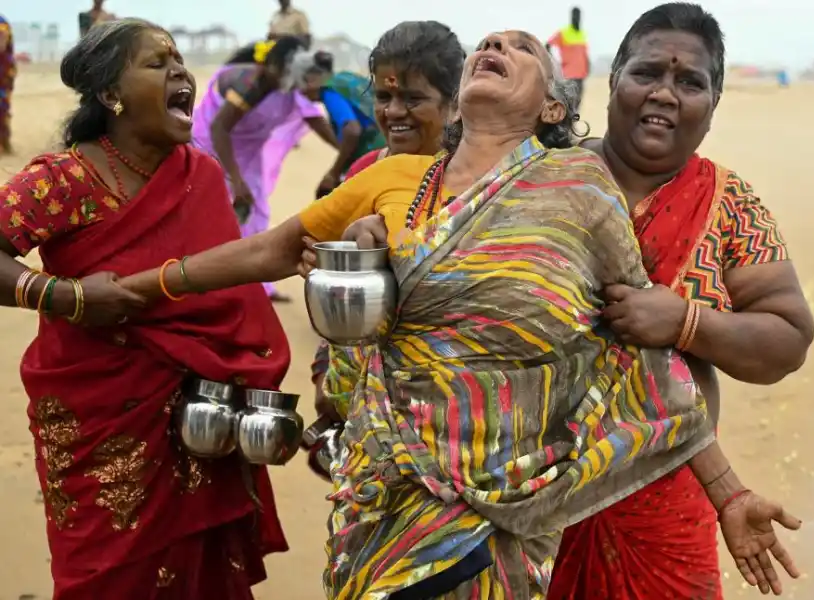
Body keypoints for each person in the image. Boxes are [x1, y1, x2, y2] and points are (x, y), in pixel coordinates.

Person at [117, 29, 801, 598]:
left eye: (520, 47)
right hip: (381, 495)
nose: (496, 42)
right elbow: (276, 254)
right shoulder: (392, 184)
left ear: (553, 109)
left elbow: (637, 361)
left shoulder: (577, 192)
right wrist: (130, 290)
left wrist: (729, 492)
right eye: (486, 42)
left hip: (502, 514)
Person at [0, 19, 289, 598]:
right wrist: (67, 297)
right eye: (158, 63)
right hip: (95, 422)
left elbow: (230, 301)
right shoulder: (63, 179)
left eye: (180, 61)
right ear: (111, 95)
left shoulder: (200, 175)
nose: (180, 72)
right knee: (102, 576)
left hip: (196, 423)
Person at [547, 4, 814, 599]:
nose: (665, 94)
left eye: (689, 82)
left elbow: (787, 340)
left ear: (714, 105)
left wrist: (686, 322)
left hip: (671, 502)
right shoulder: (541, 180)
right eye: (647, 73)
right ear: (612, 78)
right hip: (526, 498)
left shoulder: (729, 203)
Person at [308, 20, 466, 423]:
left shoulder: (479, 182)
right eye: (383, 95)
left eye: (413, 98)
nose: (393, 112)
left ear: (455, 101)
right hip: (366, 393)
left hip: (453, 397)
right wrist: (327, 370)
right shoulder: (365, 171)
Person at [192, 37, 337, 302]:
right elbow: (218, 128)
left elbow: (318, 123)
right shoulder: (249, 84)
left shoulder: (291, 87)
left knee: (258, 212)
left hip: (249, 150)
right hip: (213, 147)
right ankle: (204, 279)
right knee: (212, 209)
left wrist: (348, 149)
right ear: (269, 65)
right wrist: (235, 180)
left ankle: (257, 286)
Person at [298, 50, 386, 196]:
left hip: (372, 158)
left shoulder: (329, 91)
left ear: (311, 79)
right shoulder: (346, 78)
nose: (300, 91)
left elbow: (352, 130)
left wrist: (334, 172)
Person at [547, 7, 590, 111]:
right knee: (568, 102)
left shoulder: (582, 34)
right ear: (571, 17)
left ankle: (572, 124)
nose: (576, 18)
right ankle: (566, 124)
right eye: (574, 16)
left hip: (581, 73)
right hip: (568, 74)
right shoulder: (564, 32)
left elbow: (584, 53)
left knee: (578, 103)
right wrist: (554, 64)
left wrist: (588, 65)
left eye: (578, 16)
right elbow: (548, 45)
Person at [0, 14, 14, 154]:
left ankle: (4, 143)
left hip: (3, 71)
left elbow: (2, 46)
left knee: (2, 108)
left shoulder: (2, 23)